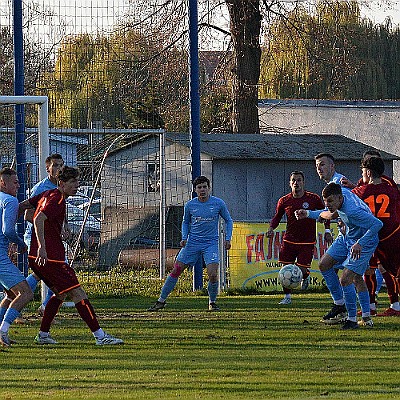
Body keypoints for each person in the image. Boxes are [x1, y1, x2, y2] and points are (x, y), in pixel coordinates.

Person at [19, 166, 123, 345]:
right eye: (73, 182)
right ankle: (100, 336)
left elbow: (24, 205)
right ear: (62, 184)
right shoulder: (56, 199)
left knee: (59, 294)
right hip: (50, 258)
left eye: (78, 181)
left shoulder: (49, 194)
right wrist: (42, 247)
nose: (77, 185)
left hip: (42, 257)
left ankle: (43, 335)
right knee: (78, 292)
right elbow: (38, 218)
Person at [295, 183, 383, 329]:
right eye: (325, 201)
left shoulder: (352, 211)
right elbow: (329, 213)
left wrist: (360, 243)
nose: (327, 204)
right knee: (324, 264)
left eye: (330, 201)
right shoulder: (339, 193)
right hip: (347, 237)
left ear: (340, 198)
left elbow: (377, 225)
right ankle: (343, 306)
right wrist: (309, 214)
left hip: (363, 242)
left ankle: (352, 320)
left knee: (346, 278)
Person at [148, 175, 233, 311]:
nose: (202, 190)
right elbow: (185, 222)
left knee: (212, 274)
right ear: (195, 190)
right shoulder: (190, 205)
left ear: (209, 188)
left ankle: (212, 302)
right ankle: (161, 301)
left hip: (210, 244)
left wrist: (228, 238)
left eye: (205, 187)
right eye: (199, 187)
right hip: (192, 243)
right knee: (176, 269)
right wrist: (184, 237)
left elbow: (229, 220)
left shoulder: (218, 203)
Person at [267, 171, 332, 304]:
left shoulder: (313, 199)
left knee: (301, 270)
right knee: (285, 270)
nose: (296, 183)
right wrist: (271, 228)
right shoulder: (284, 200)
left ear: (303, 182)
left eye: (299, 180)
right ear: (290, 183)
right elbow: (277, 217)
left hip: (307, 241)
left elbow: (326, 213)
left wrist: (327, 230)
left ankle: (306, 275)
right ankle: (287, 297)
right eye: (294, 180)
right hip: (289, 240)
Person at [352, 156, 400, 317]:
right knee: (387, 269)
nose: (362, 174)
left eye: (363, 171)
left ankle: (374, 305)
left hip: (372, 236)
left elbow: (346, 200)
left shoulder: (360, 191)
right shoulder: (392, 190)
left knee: (370, 270)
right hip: (391, 235)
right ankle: (389, 305)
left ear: (369, 172)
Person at [24, 153, 65, 314]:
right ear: (47, 168)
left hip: (51, 239)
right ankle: (18, 298)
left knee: (50, 272)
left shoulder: (61, 187)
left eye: (61, 165)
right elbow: (28, 215)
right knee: (50, 272)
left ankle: (44, 307)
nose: (59, 168)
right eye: (55, 165)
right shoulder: (40, 188)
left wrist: (64, 226)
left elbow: (59, 211)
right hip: (35, 238)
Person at [0, 168, 34, 346]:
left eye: (19, 182)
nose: (18, 186)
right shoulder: (10, 200)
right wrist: (21, 244)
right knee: (26, 293)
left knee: (10, 295)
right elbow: (8, 230)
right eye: (15, 182)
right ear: (3, 183)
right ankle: (3, 331)